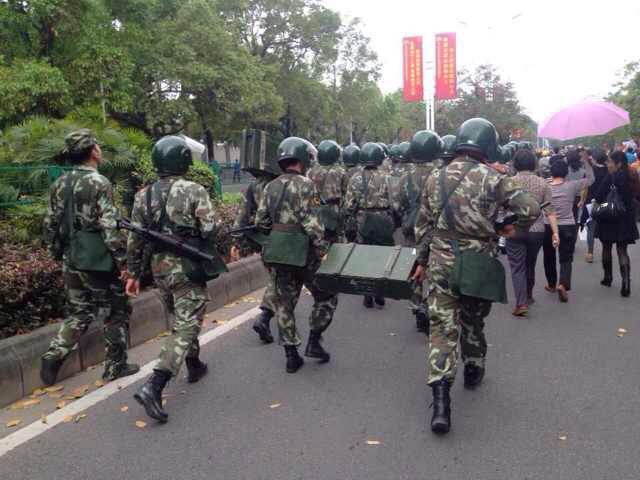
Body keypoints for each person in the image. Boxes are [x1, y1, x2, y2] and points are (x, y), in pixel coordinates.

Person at [412, 118, 540, 434]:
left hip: (441, 262)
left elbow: (423, 226)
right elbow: (531, 209)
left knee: (442, 329)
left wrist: (422, 260)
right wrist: (509, 228)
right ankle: (473, 367)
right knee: (473, 320)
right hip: (478, 261)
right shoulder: (493, 178)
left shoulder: (435, 177)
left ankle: (441, 404)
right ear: (487, 146)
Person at [128, 136, 223, 422]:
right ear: (183, 160)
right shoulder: (194, 189)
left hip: (159, 269)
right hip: (187, 266)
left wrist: (133, 273)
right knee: (187, 323)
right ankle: (154, 385)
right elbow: (210, 228)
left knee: (181, 318)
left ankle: (194, 364)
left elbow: (135, 239)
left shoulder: (143, 196)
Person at [40, 129, 139, 387]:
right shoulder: (99, 182)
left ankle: (53, 356)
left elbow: (50, 224)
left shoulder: (59, 183)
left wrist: (57, 253)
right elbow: (109, 227)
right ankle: (115, 366)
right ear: (93, 151)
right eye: (97, 145)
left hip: (71, 257)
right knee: (116, 310)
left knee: (79, 312)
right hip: (98, 259)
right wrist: (124, 264)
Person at [255, 137, 337, 373]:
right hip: (305, 254)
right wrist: (323, 250)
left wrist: (277, 233)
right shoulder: (307, 185)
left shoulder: (270, 187)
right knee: (327, 296)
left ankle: (291, 356)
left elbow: (261, 221)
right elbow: (313, 222)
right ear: (302, 158)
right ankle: (314, 341)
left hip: (279, 253)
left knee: (284, 304)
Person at [394, 130, 443, 332]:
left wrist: (408, 216)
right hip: (436, 231)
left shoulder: (405, 177)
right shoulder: (442, 175)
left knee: (413, 269)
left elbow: (397, 204)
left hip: (411, 231)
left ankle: (417, 306)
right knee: (434, 270)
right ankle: (431, 307)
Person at [506, 149, 560, 317]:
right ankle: (528, 295)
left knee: (517, 267)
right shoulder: (543, 183)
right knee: (530, 263)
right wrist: (555, 233)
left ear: (515, 163)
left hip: (514, 228)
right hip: (536, 230)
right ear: (533, 164)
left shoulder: (508, 182)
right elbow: (550, 211)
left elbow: (501, 207)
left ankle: (521, 303)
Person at [230, 163, 279, 344]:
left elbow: (241, 217)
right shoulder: (281, 183)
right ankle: (265, 317)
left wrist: (236, 242)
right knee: (280, 280)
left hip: (264, 241)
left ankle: (276, 311)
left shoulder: (253, 186)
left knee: (276, 278)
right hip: (283, 240)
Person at [344, 142, 395, 309]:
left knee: (364, 256)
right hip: (383, 220)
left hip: (363, 220)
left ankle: (367, 293)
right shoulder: (387, 177)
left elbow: (349, 205)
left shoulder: (355, 178)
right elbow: (395, 202)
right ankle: (380, 291)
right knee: (382, 257)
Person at [542, 156, 594, 303]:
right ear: (566, 173)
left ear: (551, 173)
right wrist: (586, 161)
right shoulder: (572, 185)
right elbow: (591, 179)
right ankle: (563, 284)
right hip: (567, 225)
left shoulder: (545, 186)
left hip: (548, 225)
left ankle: (551, 284)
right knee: (566, 257)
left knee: (549, 255)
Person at [595, 150, 639, 297]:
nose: (607, 164)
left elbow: (599, 196)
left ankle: (608, 278)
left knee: (606, 247)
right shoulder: (632, 175)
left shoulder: (611, 177)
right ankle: (626, 284)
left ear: (618, 163)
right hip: (625, 218)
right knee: (622, 250)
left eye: (610, 162)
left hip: (609, 217)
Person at [307, 140, 345, 244]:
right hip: (333, 210)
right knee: (333, 240)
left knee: (316, 239)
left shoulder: (311, 171)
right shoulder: (340, 172)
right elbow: (345, 192)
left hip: (315, 208)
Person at [580, 149, 608, 263]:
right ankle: (606, 252)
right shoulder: (609, 170)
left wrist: (582, 200)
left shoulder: (590, 171)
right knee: (605, 228)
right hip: (605, 203)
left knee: (591, 228)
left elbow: (585, 188)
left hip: (591, 203)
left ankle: (590, 253)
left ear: (595, 159)